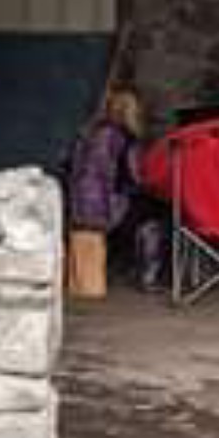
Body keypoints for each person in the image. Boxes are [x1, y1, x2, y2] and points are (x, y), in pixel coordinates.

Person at [66, 86, 165, 291]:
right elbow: (134, 177)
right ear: (131, 111)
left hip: (79, 207)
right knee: (155, 215)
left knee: (141, 210)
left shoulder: (89, 133)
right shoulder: (123, 136)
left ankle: (119, 268)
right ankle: (148, 277)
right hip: (106, 208)